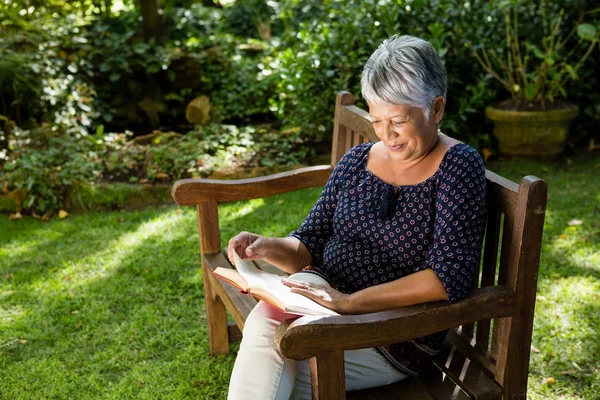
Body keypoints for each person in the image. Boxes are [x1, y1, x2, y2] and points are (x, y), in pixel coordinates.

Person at [226, 35, 487, 400]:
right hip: (317, 310)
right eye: (377, 120)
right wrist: (267, 247)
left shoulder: (458, 167)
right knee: (269, 332)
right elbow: (307, 245)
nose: (386, 135)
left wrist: (348, 303)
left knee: (271, 356)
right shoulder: (356, 162)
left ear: (437, 107)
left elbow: (447, 279)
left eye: (398, 120)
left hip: (389, 332)